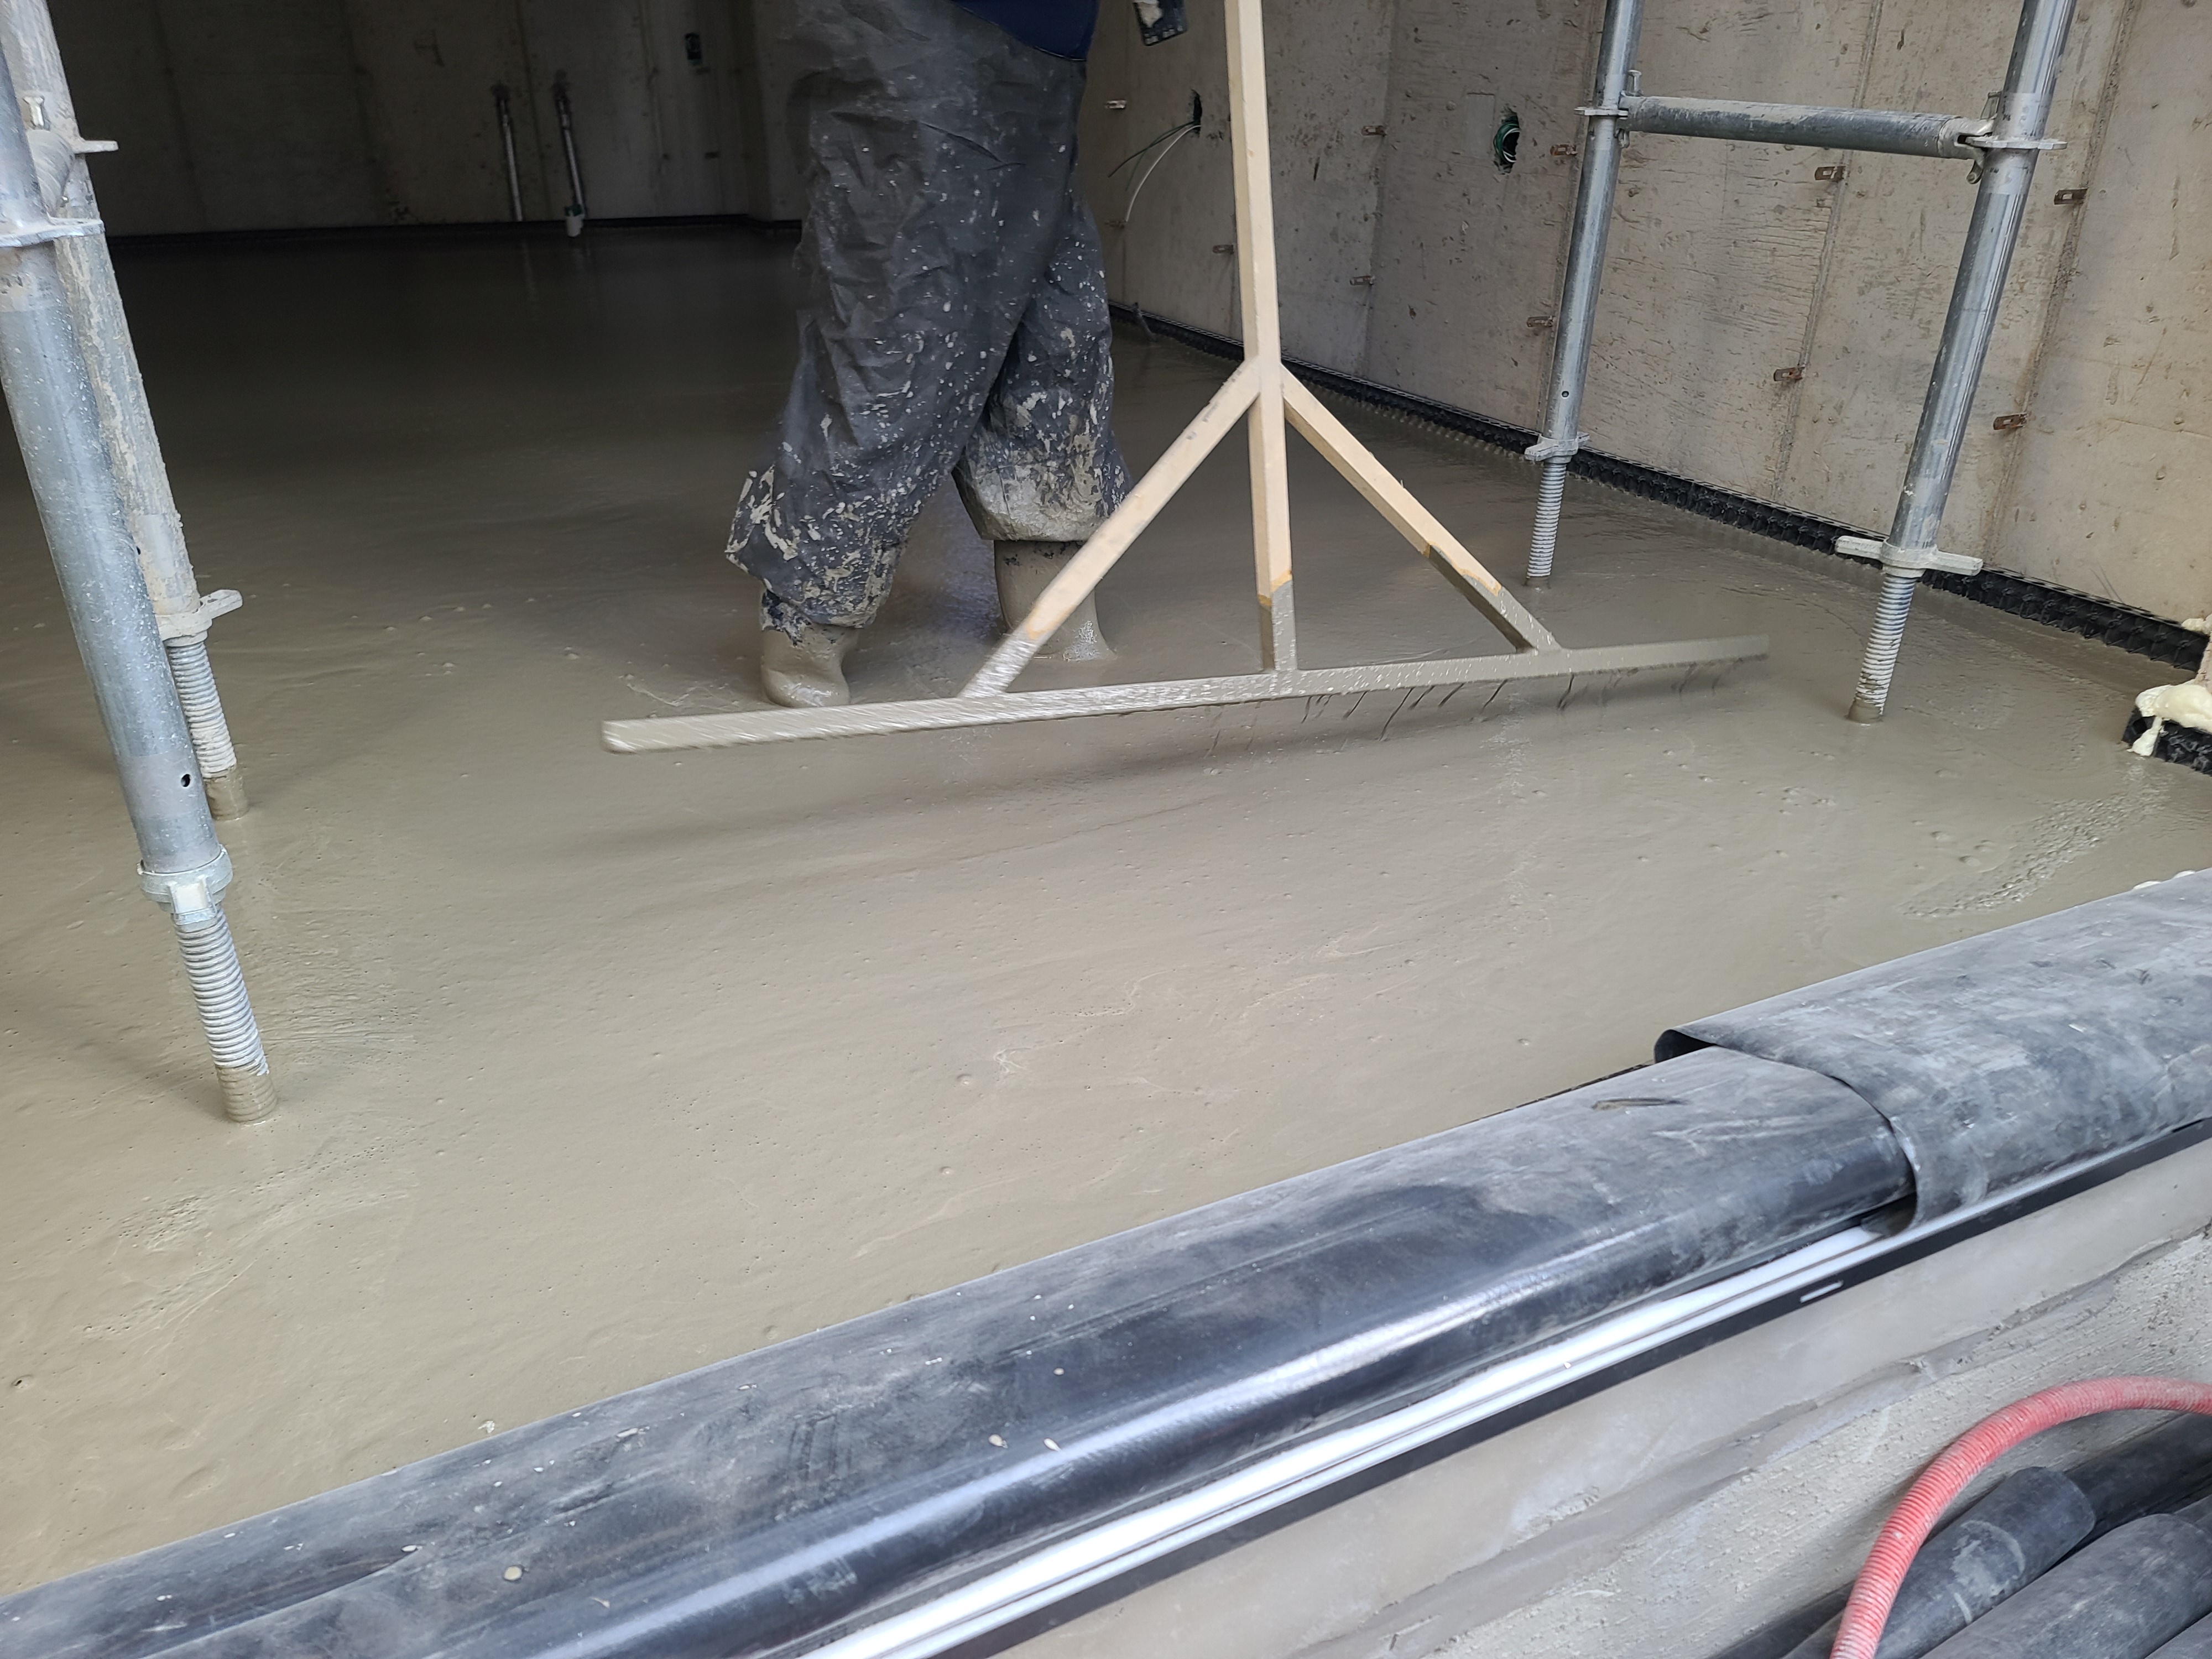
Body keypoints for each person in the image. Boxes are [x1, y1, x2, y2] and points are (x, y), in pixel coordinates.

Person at [727, 0, 1186, 708]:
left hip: (1047, 58)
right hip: (923, 36)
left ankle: (1050, 596)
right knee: (903, 332)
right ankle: (809, 619)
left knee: (1053, 338)